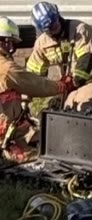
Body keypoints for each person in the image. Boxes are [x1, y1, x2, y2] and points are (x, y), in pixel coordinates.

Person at [0, 16, 75, 163]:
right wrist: (62, 86)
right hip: (6, 131)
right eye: (11, 45)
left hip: (9, 123)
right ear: (4, 42)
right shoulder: (6, 68)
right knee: (42, 156)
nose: (11, 50)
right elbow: (35, 84)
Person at [27, 1, 92, 118]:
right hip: (70, 86)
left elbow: (85, 61)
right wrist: (26, 97)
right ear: (43, 30)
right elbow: (32, 74)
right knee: (56, 111)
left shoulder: (80, 30)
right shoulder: (42, 44)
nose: (55, 27)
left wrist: (72, 83)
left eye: (56, 21)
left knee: (81, 111)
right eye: (50, 28)